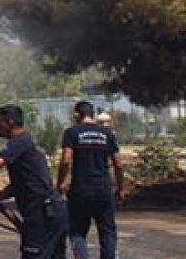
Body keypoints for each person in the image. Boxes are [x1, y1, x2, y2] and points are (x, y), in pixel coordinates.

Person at [0, 105, 67, 258]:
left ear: (10, 122)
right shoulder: (25, 143)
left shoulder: (19, 141)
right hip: (52, 211)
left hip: (43, 213)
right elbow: (20, 184)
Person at [57, 100, 123, 259]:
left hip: (81, 190)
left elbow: (66, 160)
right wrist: (120, 187)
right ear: (92, 115)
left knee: (77, 232)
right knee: (107, 232)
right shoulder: (107, 133)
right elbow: (118, 164)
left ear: (77, 115)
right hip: (103, 189)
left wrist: (59, 184)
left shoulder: (72, 132)